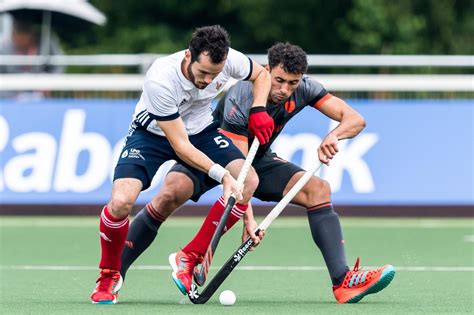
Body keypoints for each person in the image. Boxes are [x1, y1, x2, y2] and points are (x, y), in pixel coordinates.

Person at [120, 42, 395, 304]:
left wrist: (334, 136)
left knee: (318, 190)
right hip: (215, 151)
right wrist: (247, 220)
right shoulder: (242, 94)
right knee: (171, 191)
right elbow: (240, 168)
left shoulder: (306, 88)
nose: (285, 90)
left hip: (259, 159)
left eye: (293, 83)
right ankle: (116, 273)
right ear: (267, 69)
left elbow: (355, 119)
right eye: (279, 80)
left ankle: (343, 281)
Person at [90, 25, 274, 305]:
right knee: (121, 201)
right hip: (152, 135)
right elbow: (181, 146)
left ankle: (189, 257)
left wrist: (258, 109)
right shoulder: (161, 79)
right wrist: (221, 174)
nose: (209, 80)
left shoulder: (230, 60)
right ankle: (109, 274)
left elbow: (261, 74)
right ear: (189, 56)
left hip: (201, 130)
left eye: (215, 75)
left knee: (248, 181)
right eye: (203, 73)